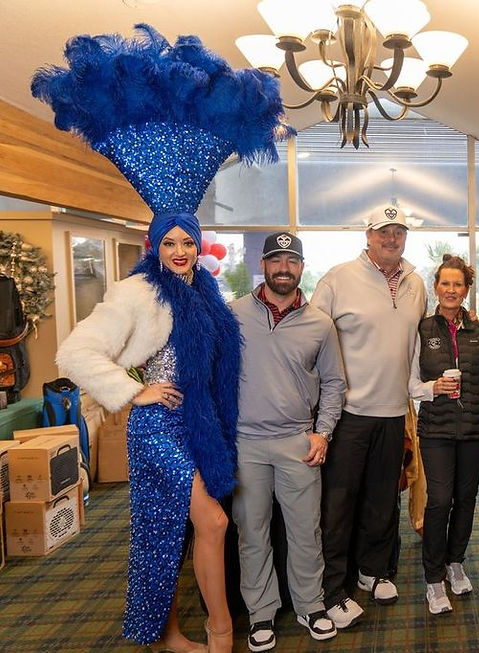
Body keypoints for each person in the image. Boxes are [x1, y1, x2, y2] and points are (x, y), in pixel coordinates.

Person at [37, 25, 288, 653]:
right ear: (153, 245)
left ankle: (172, 630)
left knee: (172, 532)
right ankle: (220, 630)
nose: (177, 252)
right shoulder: (136, 292)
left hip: (201, 424)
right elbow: (75, 352)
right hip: (159, 428)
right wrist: (133, 392)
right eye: (167, 242)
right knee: (211, 520)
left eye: (185, 241)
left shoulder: (204, 290)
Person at [310, 204, 427, 628]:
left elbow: (413, 349)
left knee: (382, 499)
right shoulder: (337, 279)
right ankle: (333, 588)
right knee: (338, 504)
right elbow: (312, 343)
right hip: (348, 414)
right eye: (383, 232)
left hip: (395, 412)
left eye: (398, 232)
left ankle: (373, 570)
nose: (391, 239)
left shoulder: (416, 283)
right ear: (368, 235)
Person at [230, 233, 346, 651]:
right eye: (275, 260)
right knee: (252, 532)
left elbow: (334, 383)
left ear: (301, 266)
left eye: (291, 261)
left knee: (304, 531)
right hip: (246, 444)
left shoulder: (319, 322)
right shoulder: (234, 314)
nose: (283, 268)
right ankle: (261, 613)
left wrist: (323, 431)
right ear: (263, 264)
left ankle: (311, 606)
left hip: (298, 441)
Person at [408, 255, 479, 615]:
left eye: (459, 284)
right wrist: (433, 388)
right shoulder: (422, 329)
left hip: (476, 430)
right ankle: (433, 577)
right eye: (446, 283)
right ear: (436, 287)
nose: (452, 290)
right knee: (440, 500)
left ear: (467, 289)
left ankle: (456, 562)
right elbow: (411, 385)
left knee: (466, 497)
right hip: (436, 430)